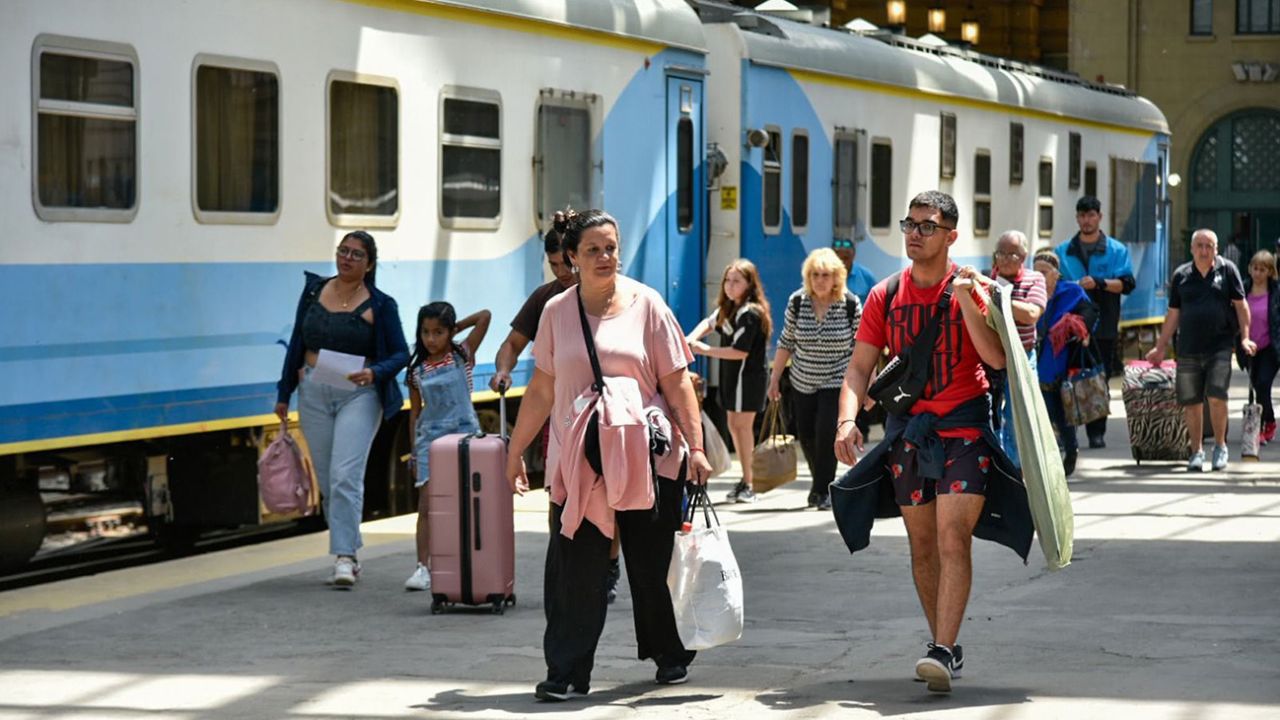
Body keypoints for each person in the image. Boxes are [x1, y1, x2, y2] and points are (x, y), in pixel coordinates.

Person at [504, 209, 712, 701]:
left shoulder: (648, 304)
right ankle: (566, 672)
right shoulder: (557, 312)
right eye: (593, 249)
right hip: (581, 459)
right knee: (574, 567)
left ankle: (669, 654)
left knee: (650, 563)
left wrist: (696, 447)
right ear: (570, 258)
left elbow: (677, 381)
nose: (605, 257)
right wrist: (515, 452)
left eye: (611, 247)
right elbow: (542, 388)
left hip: (647, 456)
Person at [834, 191, 1030, 694]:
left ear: (951, 236)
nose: (915, 233)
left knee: (950, 537)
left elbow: (997, 359)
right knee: (922, 545)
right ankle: (944, 641)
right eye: (910, 223)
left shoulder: (971, 286)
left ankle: (941, 649)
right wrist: (846, 421)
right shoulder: (886, 294)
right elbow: (859, 367)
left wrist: (967, 301)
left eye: (927, 225)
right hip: (909, 433)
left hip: (964, 427)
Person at [275, 231, 409, 587]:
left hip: (358, 394)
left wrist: (375, 372)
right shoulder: (314, 292)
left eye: (356, 254)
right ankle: (349, 543)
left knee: (345, 474)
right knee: (329, 479)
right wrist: (284, 392)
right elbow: (296, 345)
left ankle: (345, 558)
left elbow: (400, 353)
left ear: (369, 264)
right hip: (314, 392)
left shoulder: (380, 305)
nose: (347, 258)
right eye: (343, 251)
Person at [1145, 229, 1255, 472]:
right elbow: (1173, 313)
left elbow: (1241, 306)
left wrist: (1246, 338)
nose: (1204, 251)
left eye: (1209, 246)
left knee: (1217, 397)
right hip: (1188, 348)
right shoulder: (1181, 275)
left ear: (1217, 249)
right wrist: (1160, 347)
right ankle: (1196, 451)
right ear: (1192, 249)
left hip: (1220, 346)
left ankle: (1220, 446)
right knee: (1192, 402)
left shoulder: (1227, 271)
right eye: (1200, 246)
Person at [403, 302, 491, 591]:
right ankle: (422, 566)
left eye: (439, 332)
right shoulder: (416, 371)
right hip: (430, 438)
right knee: (427, 505)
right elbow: (415, 412)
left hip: (465, 435)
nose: (431, 339)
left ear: (449, 332)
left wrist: (457, 329)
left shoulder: (462, 355)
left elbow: (484, 316)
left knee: (469, 501)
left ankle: (469, 560)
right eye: (426, 332)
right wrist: (414, 450)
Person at [768, 248, 861, 511]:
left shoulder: (850, 303)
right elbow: (785, 341)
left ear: (836, 277)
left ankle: (822, 489)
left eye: (826, 275)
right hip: (803, 378)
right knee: (806, 434)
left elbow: (862, 346)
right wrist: (775, 378)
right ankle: (820, 483)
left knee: (824, 433)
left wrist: (867, 386)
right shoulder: (797, 302)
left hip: (836, 378)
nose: (820, 280)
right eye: (815, 274)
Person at [686, 259, 773, 503]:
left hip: (748, 379)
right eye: (727, 280)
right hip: (734, 380)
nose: (729, 286)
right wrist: (690, 338)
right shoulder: (730, 308)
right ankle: (745, 479)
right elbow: (709, 323)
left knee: (743, 428)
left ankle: (750, 482)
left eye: (736, 281)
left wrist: (703, 350)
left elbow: (740, 351)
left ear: (749, 284)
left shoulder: (751, 313)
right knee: (735, 426)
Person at [1054, 196, 1135, 449]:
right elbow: (1053, 284)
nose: (1086, 220)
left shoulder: (1116, 250)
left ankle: (1096, 431)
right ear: (1077, 218)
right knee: (1067, 377)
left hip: (1104, 324)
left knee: (1099, 377)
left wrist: (1099, 283)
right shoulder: (1063, 251)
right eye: (1082, 215)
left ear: (1100, 217)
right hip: (1069, 325)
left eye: (1091, 215)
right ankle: (1068, 429)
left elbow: (1127, 285)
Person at [1032, 251, 1099, 476]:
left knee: (1062, 413)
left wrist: (1079, 328)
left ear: (1056, 274)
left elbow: (1091, 314)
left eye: (1043, 272)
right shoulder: (1029, 292)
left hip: (1063, 361)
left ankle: (1071, 450)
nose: (1039, 276)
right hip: (1037, 361)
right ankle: (1050, 455)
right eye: (1036, 271)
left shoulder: (1072, 291)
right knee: (1044, 412)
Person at [986, 231, 1046, 468]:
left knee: (1018, 415)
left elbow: (1032, 314)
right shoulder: (988, 279)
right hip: (992, 358)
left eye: (1011, 254)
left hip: (1022, 356)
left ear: (1023, 256)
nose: (1004, 259)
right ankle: (1000, 463)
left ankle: (1016, 467)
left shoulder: (1034, 280)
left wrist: (998, 300)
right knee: (993, 414)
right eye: (1000, 253)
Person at [1244, 250, 1280, 445]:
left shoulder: (1276, 292)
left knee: (1262, 384)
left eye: (1262, 269)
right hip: (1249, 347)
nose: (1257, 273)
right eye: (1255, 268)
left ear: (1270, 272)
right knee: (1256, 386)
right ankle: (1266, 422)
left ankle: (1267, 424)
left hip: (1270, 347)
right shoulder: (1243, 289)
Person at [833, 237, 878, 303]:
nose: (842, 262)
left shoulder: (866, 277)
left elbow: (877, 302)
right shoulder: (825, 276)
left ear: (853, 255)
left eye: (846, 258)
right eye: (839, 258)